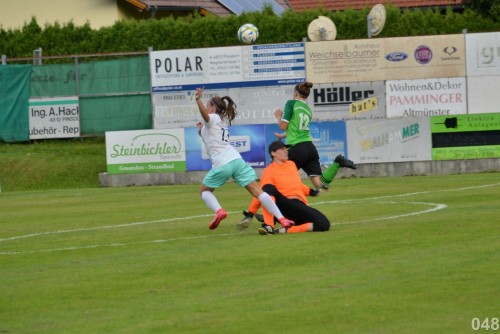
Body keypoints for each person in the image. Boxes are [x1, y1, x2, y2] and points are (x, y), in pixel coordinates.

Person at [237, 81, 356, 230]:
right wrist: (283, 136)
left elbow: (283, 125)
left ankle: (258, 216)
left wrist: (278, 116)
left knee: (271, 181)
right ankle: (337, 163)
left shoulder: (290, 104)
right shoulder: (307, 109)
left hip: (296, 149)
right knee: (319, 184)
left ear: (295, 93)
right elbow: (297, 128)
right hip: (309, 147)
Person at [194, 87, 295, 230]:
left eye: (207, 105)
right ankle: (282, 219)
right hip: (236, 160)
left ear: (212, 108)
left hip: (222, 163)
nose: (206, 107)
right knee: (258, 192)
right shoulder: (220, 122)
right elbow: (209, 136)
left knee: (204, 191)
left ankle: (219, 211)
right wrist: (200, 131)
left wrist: (198, 99)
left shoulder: (214, 118)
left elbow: (206, 116)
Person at [248, 140, 331, 234]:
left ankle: (286, 229)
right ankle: (269, 225)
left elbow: (297, 185)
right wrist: (250, 213)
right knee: (268, 188)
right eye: (282, 149)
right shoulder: (269, 170)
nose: (286, 151)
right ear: (273, 153)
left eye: (286, 149)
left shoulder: (291, 165)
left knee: (324, 224)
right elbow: (261, 193)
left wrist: (313, 192)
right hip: (284, 205)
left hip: (298, 206)